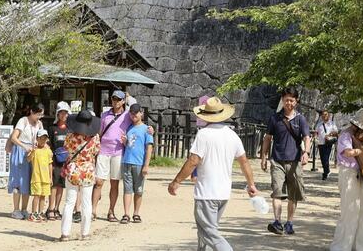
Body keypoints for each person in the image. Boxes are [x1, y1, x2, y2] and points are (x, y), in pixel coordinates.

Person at [169, 97, 258, 251]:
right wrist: (251, 184)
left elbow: (193, 161)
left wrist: (176, 181)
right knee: (206, 232)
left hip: (206, 193)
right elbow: (244, 162)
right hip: (223, 193)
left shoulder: (204, 134)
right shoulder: (232, 135)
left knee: (209, 233)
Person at [260, 87, 311, 236]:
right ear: (282, 100)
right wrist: (263, 156)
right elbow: (267, 138)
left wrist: (306, 153)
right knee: (277, 193)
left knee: (293, 195)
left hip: (294, 162)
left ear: (296, 102)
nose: (289, 102)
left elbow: (306, 137)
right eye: (286, 99)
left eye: (292, 100)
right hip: (277, 161)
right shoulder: (274, 118)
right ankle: (277, 221)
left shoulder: (300, 119)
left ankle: (289, 223)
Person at [330, 110, 363, 251]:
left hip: (359, 175)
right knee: (349, 211)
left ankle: (358, 247)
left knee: (361, 212)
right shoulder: (346, 135)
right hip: (348, 174)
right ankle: (341, 247)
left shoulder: (359, 137)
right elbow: (348, 152)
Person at [60, 109, 101, 242]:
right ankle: (85, 233)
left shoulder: (70, 136)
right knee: (86, 203)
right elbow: (96, 152)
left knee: (69, 203)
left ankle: (65, 233)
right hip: (88, 170)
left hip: (72, 170)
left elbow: (66, 150)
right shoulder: (94, 138)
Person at [92, 90, 131, 222]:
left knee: (114, 183)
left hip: (118, 151)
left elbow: (137, 119)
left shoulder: (127, 116)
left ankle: (111, 211)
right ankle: (93, 210)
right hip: (104, 150)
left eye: (119, 99)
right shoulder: (105, 115)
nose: (116, 102)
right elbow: (99, 133)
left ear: (123, 101)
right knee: (99, 182)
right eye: (114, 99)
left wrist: (150, 130)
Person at [8, 103, 44, 219]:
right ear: (32, 112)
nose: (39, 117)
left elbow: (41, 138)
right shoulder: (23, 121)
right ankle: (16, 209)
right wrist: (24, 146)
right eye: (38, 114)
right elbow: (14, 137)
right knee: (18, 180)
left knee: (28, 180)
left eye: (41, 115)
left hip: (32, 153)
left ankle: (24, 209)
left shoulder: (39, 124)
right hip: (20, 152)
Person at [120, 103, 153, 223]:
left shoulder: (146, 129)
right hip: (126, 161)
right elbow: (128, 145)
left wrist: (146, 165)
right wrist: (124, 142)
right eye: (132, 113)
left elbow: (149, 148)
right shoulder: (128, 128)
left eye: (136, 112)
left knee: (138, 189)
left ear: (141, 113)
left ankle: (136, 213)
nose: (134, 115)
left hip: (139, 163)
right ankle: (126, 214)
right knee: (127, 189)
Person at [48, 101, 71, 220]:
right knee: (54, 185)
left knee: (61, 186)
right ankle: (50, 208)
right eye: (61, 113)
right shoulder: (52, 128)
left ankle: (57, 208)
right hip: (55, 161)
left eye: (65, 113)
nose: (63, 115)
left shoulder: (70, 129)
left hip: (66, 162)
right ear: (57, 114)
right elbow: (49, 145)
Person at [27, 129, 53, 222]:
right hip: (36, 177)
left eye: (44, 138)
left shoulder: (48, 151)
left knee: (43, 196)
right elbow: (28, 159)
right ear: (37, 139)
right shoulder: (35, 150)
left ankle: (40, 212)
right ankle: (33, 213)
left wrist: (50, 177)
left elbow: (50, 164)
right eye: (41, 138)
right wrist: (32, 151)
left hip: (45, 178)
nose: (42, 140)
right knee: (37, 195)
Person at [315, 110, 339, 180]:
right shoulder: (319, 124)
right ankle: (327, 171)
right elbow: (316, 132)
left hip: (328, 143)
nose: (324, 116)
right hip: (320, 143)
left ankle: (325, 173)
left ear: (328, 115)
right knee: (322, 159)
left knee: (326, 158)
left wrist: (329, 134)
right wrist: (315, 137)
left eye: (326, 114)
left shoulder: (332, 123)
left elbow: (336, 132)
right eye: (323, 115)